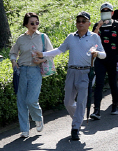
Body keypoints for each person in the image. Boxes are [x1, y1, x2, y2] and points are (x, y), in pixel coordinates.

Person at [33, 11, 106, 141]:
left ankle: (75, 127)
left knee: (82, 102)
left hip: (86, 72)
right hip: (72, 71)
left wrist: (97, 53)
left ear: (89, 23)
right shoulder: (70, 37)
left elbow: (104, 54)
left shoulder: (94, 37)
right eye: (78, 21)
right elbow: (59, 50)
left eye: (84, 21)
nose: (81, 23)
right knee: (68, 102)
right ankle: (79, 118)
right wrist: (43, 54)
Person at [10, 12, 53, 137]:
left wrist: (42, 59)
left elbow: (51, 53)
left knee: (31, 100)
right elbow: (13, 53)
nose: (35, 25)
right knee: (21, 101)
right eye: (32, 23)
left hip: (35, 70)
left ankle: (38, 118)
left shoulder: (43, 37)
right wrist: (13, 62)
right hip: (22, 70)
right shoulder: (20, 39)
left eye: (37, 22)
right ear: (26, 25)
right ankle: (24, 130)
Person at [90, 3, 118, 119]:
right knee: (99, 83)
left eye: (108, 11)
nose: (105, 12)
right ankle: (96, 110)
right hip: (100, 58)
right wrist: (98, 27)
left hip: (113, 58)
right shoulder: (97, 25)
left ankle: (115, 105)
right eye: (103, 11)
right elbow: (92, 40)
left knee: (113, 82)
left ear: (112, 13)